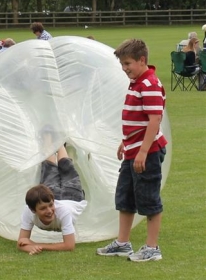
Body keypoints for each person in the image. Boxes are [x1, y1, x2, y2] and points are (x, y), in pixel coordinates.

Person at [96, 39, 167, 262]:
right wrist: (126, 143)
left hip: (148, 153)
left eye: (128, 63)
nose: (124, 68)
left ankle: (152, 248)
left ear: (142, 60)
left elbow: (154, 120)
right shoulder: (136, 81)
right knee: (125, 196)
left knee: (149, 199)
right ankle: (123, 243)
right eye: (122, 64)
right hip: (132, 151)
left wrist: (143, 152)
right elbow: (136, 120)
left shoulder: (149, 84)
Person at [17, 134, 87, 255]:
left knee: (49, 168)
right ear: (33, 210)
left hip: (53, 194)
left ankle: (51, 136)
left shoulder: (62, 211)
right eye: (43, 208)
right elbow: (21, 242)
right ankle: (57, 138)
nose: (49, 211)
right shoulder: (28, 211)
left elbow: (69, 246)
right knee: (66, 167)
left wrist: (36, 245)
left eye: (50, 206)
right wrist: (28, 247)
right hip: (72, 194)